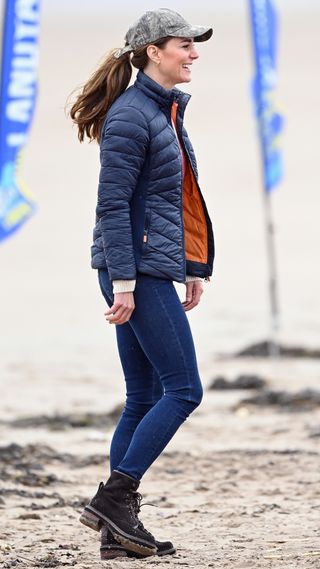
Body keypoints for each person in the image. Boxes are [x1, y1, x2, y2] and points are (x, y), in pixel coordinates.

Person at [70, 7, 215, 561]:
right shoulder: (133, 115)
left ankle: (116, 532)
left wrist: (194, 268)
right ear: (154, 51)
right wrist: (126, 283)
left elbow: (173, 198)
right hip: (136, 269)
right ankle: (115, 498)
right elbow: (112, 205)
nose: (194, 54)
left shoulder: (163, 111)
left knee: (143, 396)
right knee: (184, 390)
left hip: (151, 266)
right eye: (184, 45)